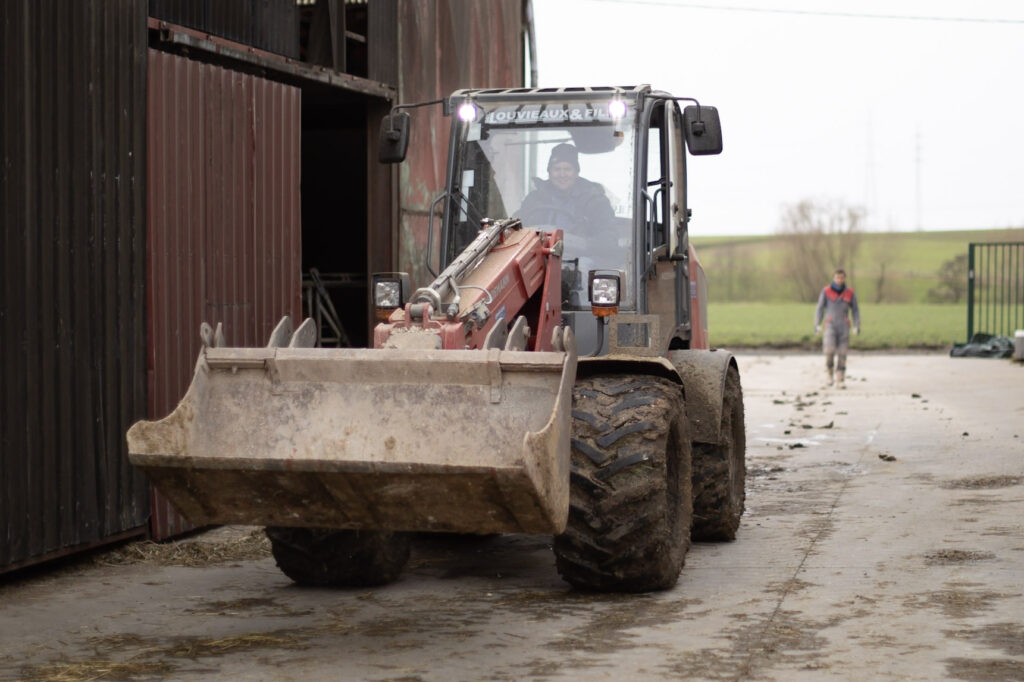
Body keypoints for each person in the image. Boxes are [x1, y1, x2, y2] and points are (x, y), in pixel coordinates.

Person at [515, 143, 614, 231]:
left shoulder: (595, 202)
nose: (562, 174)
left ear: (576, 173)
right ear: (549, 173)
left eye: (567, 169)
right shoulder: (534, 199)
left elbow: (606, 240)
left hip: (578, 252)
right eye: (557, 169)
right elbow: (515, 229)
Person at [814, 268, 861, 386]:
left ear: (844, 278)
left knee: (842, 352)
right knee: (829, 350)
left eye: (841, 278)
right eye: (837, 278)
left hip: (844, 325)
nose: (839, 280)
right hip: (830, 324)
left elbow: (855, 310)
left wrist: (857, 325)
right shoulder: (826, 291)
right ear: (834, 278)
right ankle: (829, 374)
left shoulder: (850, 293)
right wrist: (817, 324)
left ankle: (840, 378)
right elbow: (820, 308)